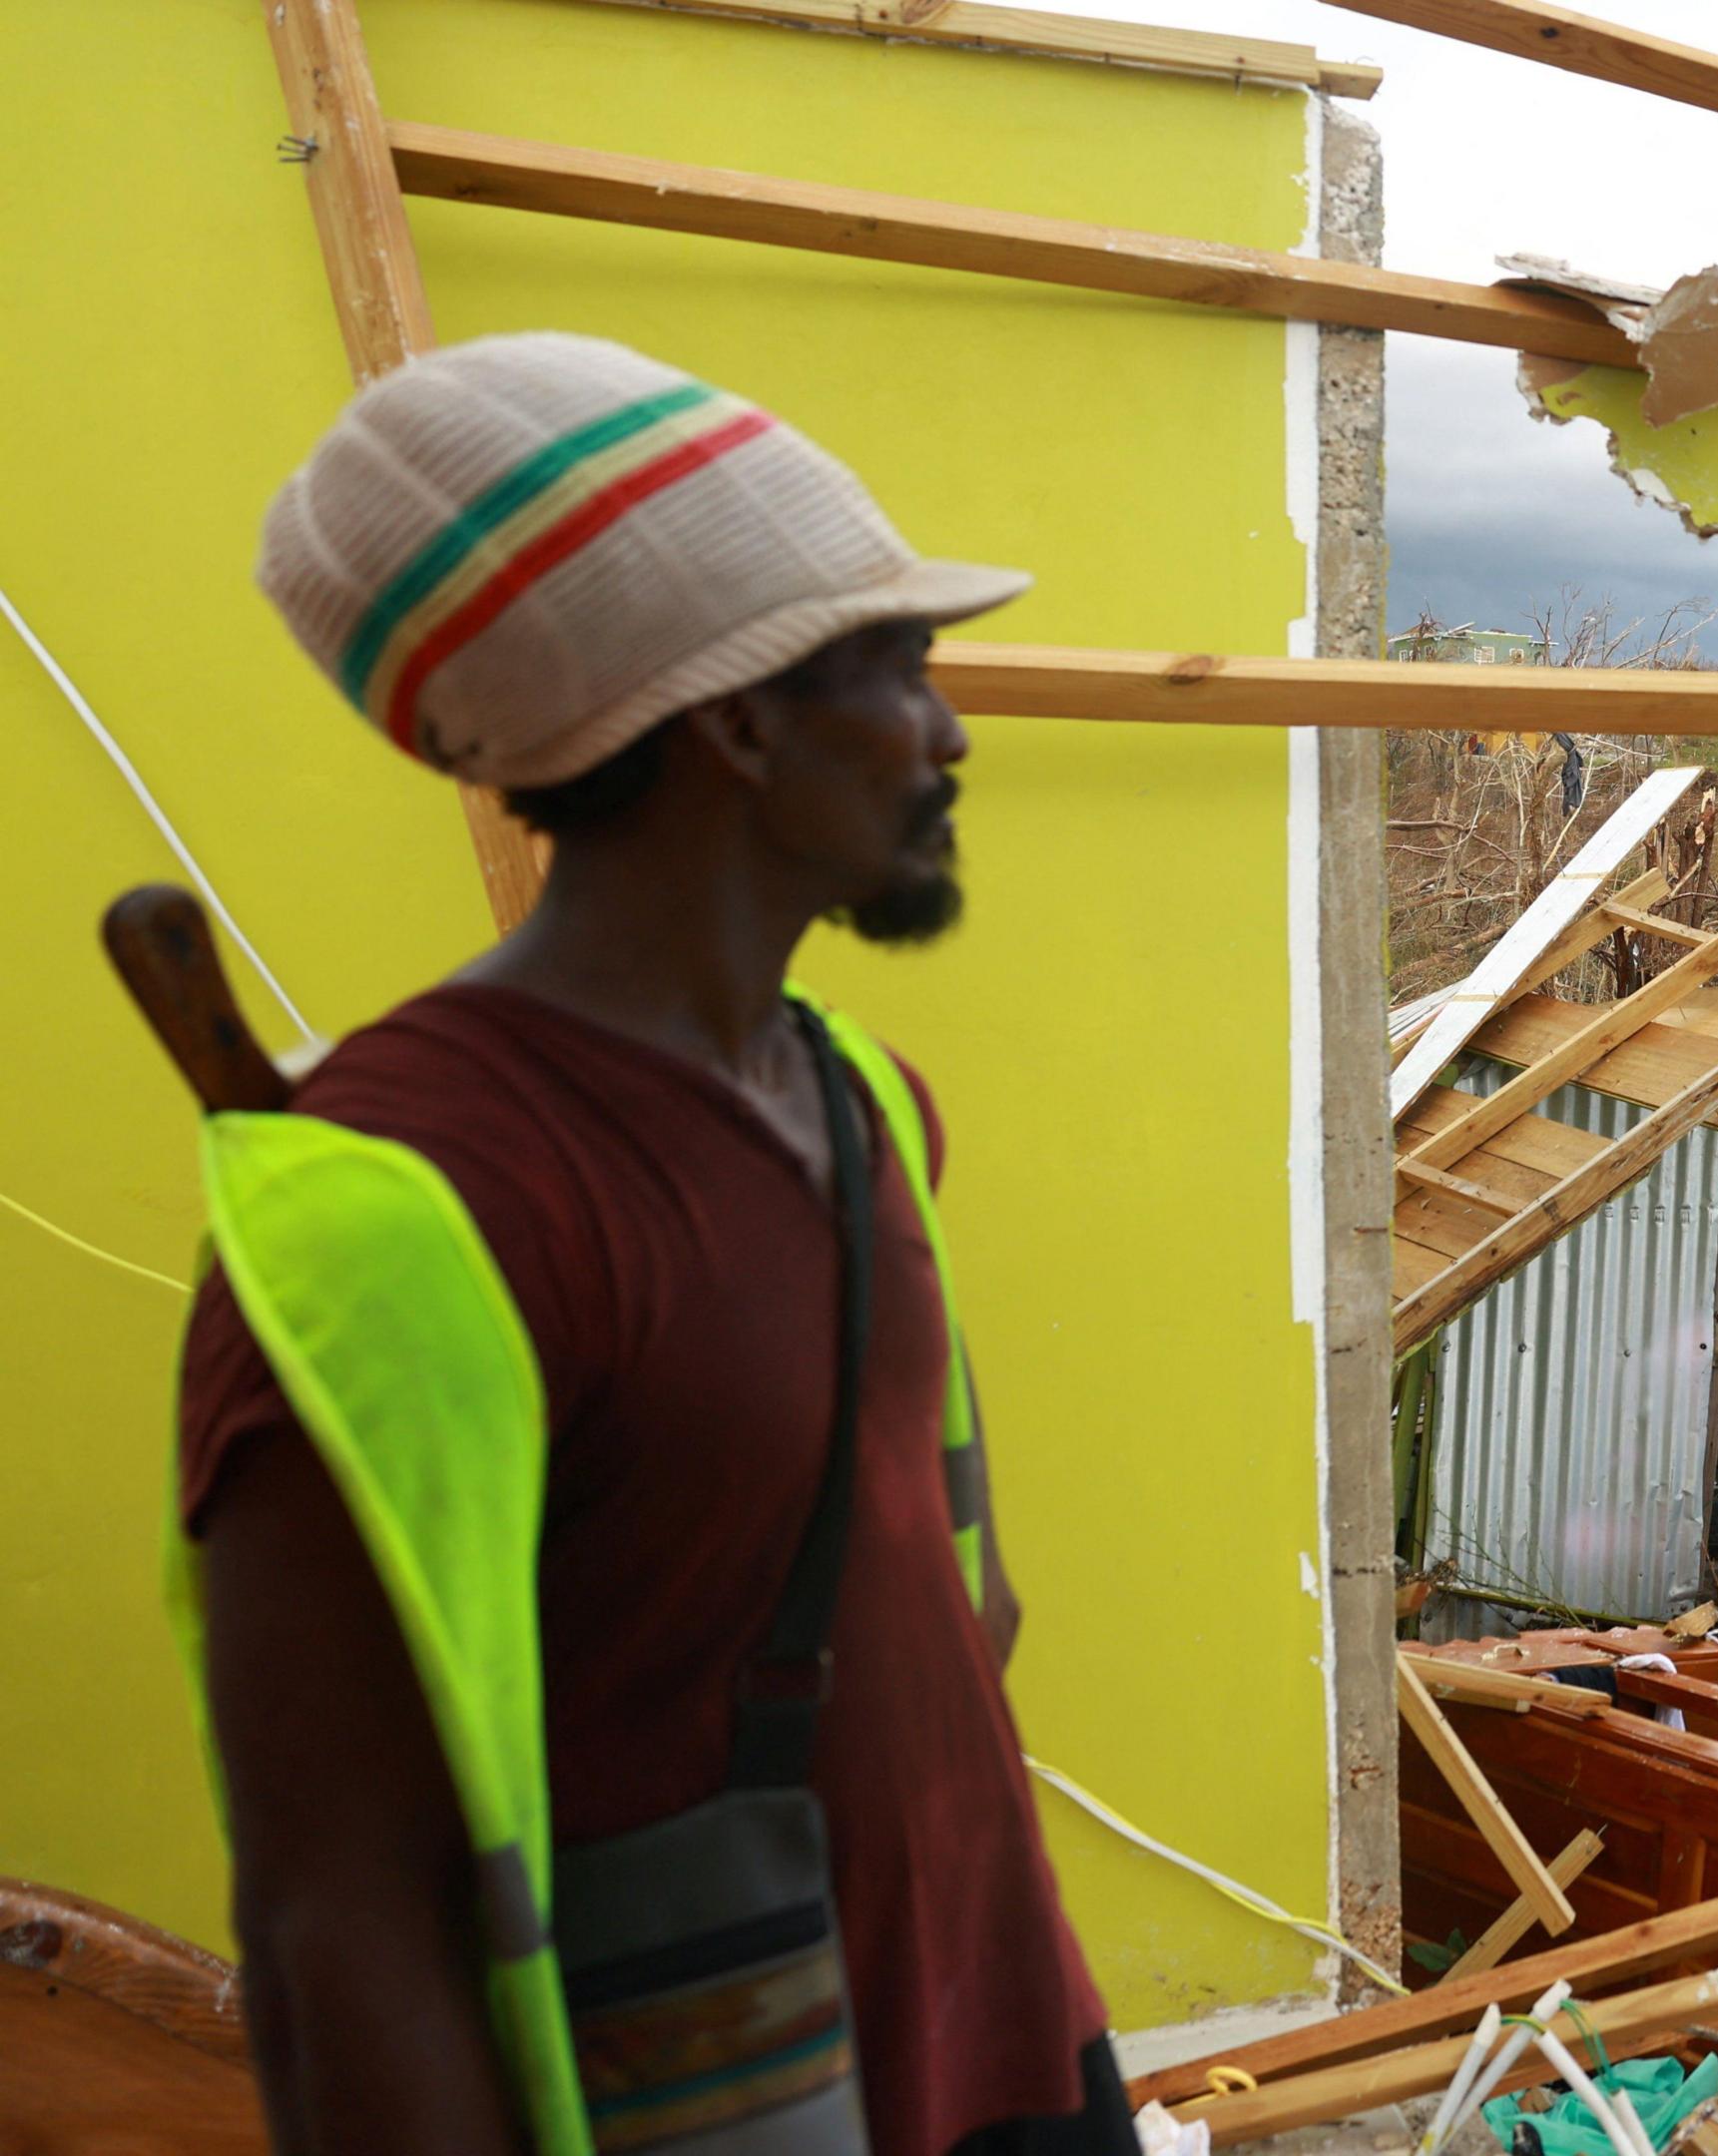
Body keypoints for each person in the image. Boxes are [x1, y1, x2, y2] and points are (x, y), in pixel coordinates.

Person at [182, 331, 1130, 2153]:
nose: (948, 734)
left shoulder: (862, 1106)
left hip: (1013, 2050)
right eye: (899, 669)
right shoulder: (409, 1202)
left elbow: (951, 1603)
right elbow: (334, 1923)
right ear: (741, 720)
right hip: (719, 2105)